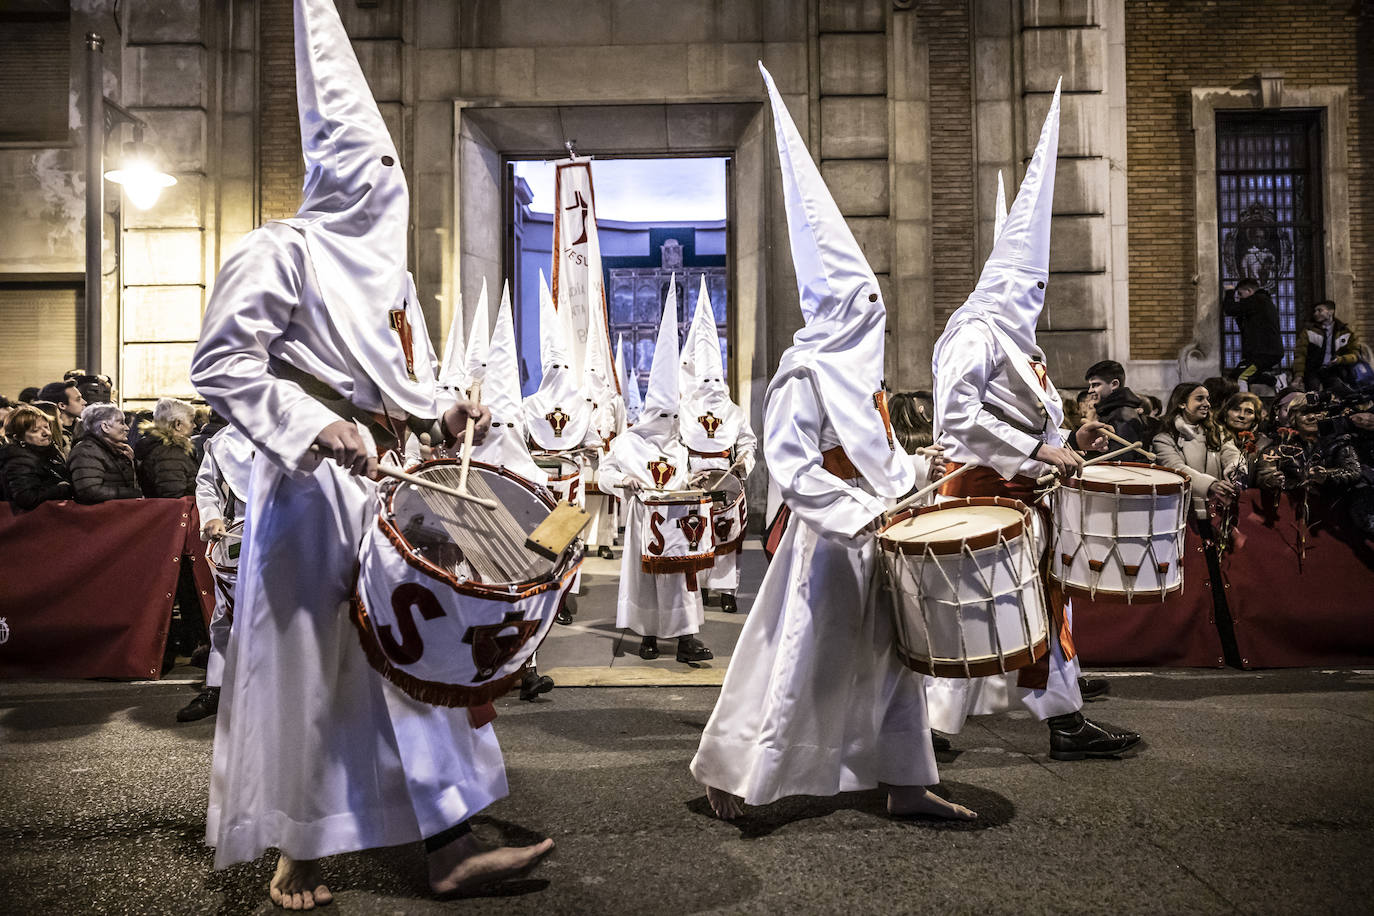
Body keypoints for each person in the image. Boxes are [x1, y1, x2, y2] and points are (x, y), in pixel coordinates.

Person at [189, 1, 551, 905]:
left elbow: (401, 377)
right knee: (319, 666)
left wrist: (445, 410)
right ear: (338, 170)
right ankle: (300, 849)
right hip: (313, 495)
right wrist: (311, 426)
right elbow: (221, 362)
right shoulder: (278, 254)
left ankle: (449, 843)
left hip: (391, 486)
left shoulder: (388, 275)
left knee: (416, 653)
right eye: (374, 169)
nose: (387, 186)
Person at [690, 64, 975, 824]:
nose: (874, 310)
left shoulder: (864, 378)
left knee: (895, 667)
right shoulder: (803, 375)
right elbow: (793, 467)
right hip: (828, 545)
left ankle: (906, 781)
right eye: (863, 300)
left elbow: (882, 456)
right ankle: (750, 782)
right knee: (800, 664)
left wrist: (922, 470)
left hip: (881, 537)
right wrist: (861, 513)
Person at [925, 79, 1136, 759]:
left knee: (1017, 606)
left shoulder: (1020, 344)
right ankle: (951, 729)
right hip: (979, 490)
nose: (1039, 297)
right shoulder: (976, 334)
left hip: (1014, 493)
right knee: (985, 607)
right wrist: (1037, 454)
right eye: (1033, 286)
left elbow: (1028, 420)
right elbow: (958, 414)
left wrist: (1067, 440)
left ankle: (1026, 722)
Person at [598, 287, 714, 665]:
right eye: (662, 417)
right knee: (645, 581)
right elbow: (603, 473)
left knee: (681, 581)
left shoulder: (680, 444)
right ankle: (647, 633)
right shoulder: (629, 443)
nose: (668, 425)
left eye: (673, 417)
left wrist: (694, 485)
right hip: (641, 521)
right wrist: (622, 482)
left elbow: (684, 478)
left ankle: (686, 639)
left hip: (678, 525)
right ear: (651, 413)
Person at [680, 276, 757, 614]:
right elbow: (678, 445)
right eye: (706, 379)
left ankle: (726, 590)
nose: (711, 385)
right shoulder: (684, 411)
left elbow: (748, 442)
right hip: (696, 476)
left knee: (726, 534)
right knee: (697, 533)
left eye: (715, 379)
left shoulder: (735, 412)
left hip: (726, 475)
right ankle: (700, 589)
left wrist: (743, 459)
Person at [180, 422, 255, 723]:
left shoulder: (302, 426)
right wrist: (211, 515)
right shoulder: (224, 439)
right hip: (240, 531)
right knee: (226, 615)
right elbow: (207, 484)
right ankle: (218, 686)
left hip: (294, 534)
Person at [1, 405, 73, 510]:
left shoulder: (47, 450)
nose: (47, 433)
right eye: (35, 430)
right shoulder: (18, 460)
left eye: (46, 426)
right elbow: (26, 498)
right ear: (18, 438)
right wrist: (62, 489)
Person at [68, 403, 142, 503]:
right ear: (105, 427)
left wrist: (133, 462)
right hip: (100, 516)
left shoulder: (115, 450)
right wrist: (133, 494)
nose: (127, 428)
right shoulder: (86, 451)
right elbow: (90, 491)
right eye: (121, 422)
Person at [1222, 279, 1284, 389]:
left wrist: (1229, 292)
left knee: (1240, 377)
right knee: (1234, 376)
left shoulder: (1258, 300)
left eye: (1240, 294)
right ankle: (1275, 380)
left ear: (1249, 291)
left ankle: (1243, 403)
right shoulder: (1260, 303)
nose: (1240, 298)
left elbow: (1230, 309)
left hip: (1264, 352)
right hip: (1261, 352)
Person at [135, 397, 201, 498]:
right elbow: (174, 497)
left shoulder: (161, 448)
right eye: (191, 421)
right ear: (177, 424)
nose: (195, 425)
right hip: (177, 512)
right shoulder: (169, 454)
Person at [1083, 359, 1153, 453]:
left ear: (1114, 384)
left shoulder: (1122, 417)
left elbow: (1120, 460)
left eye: (1096, 385)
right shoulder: (1113, 412)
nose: (1090, 391)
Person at [1293, 300, 1362, 392]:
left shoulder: (1345, 332)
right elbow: (1300, 354)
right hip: (1313, 371)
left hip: (1335, 371)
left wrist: (1340, 359)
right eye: (1315, 311)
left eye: (1319, 310)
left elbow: (1355, 355)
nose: (1316, 313)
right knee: (1313, 396)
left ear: (1331, 312)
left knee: (1337, 395)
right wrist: (1298, 375)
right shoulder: (1309, 331)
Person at [1220, 391, 1268, 472]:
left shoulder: (1262, 444)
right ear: (1225, 413)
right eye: (1236, 410)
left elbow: (1265, 473)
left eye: (1249, 412)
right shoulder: (1213, 437)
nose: (1241, 415)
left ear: (1255, 419)